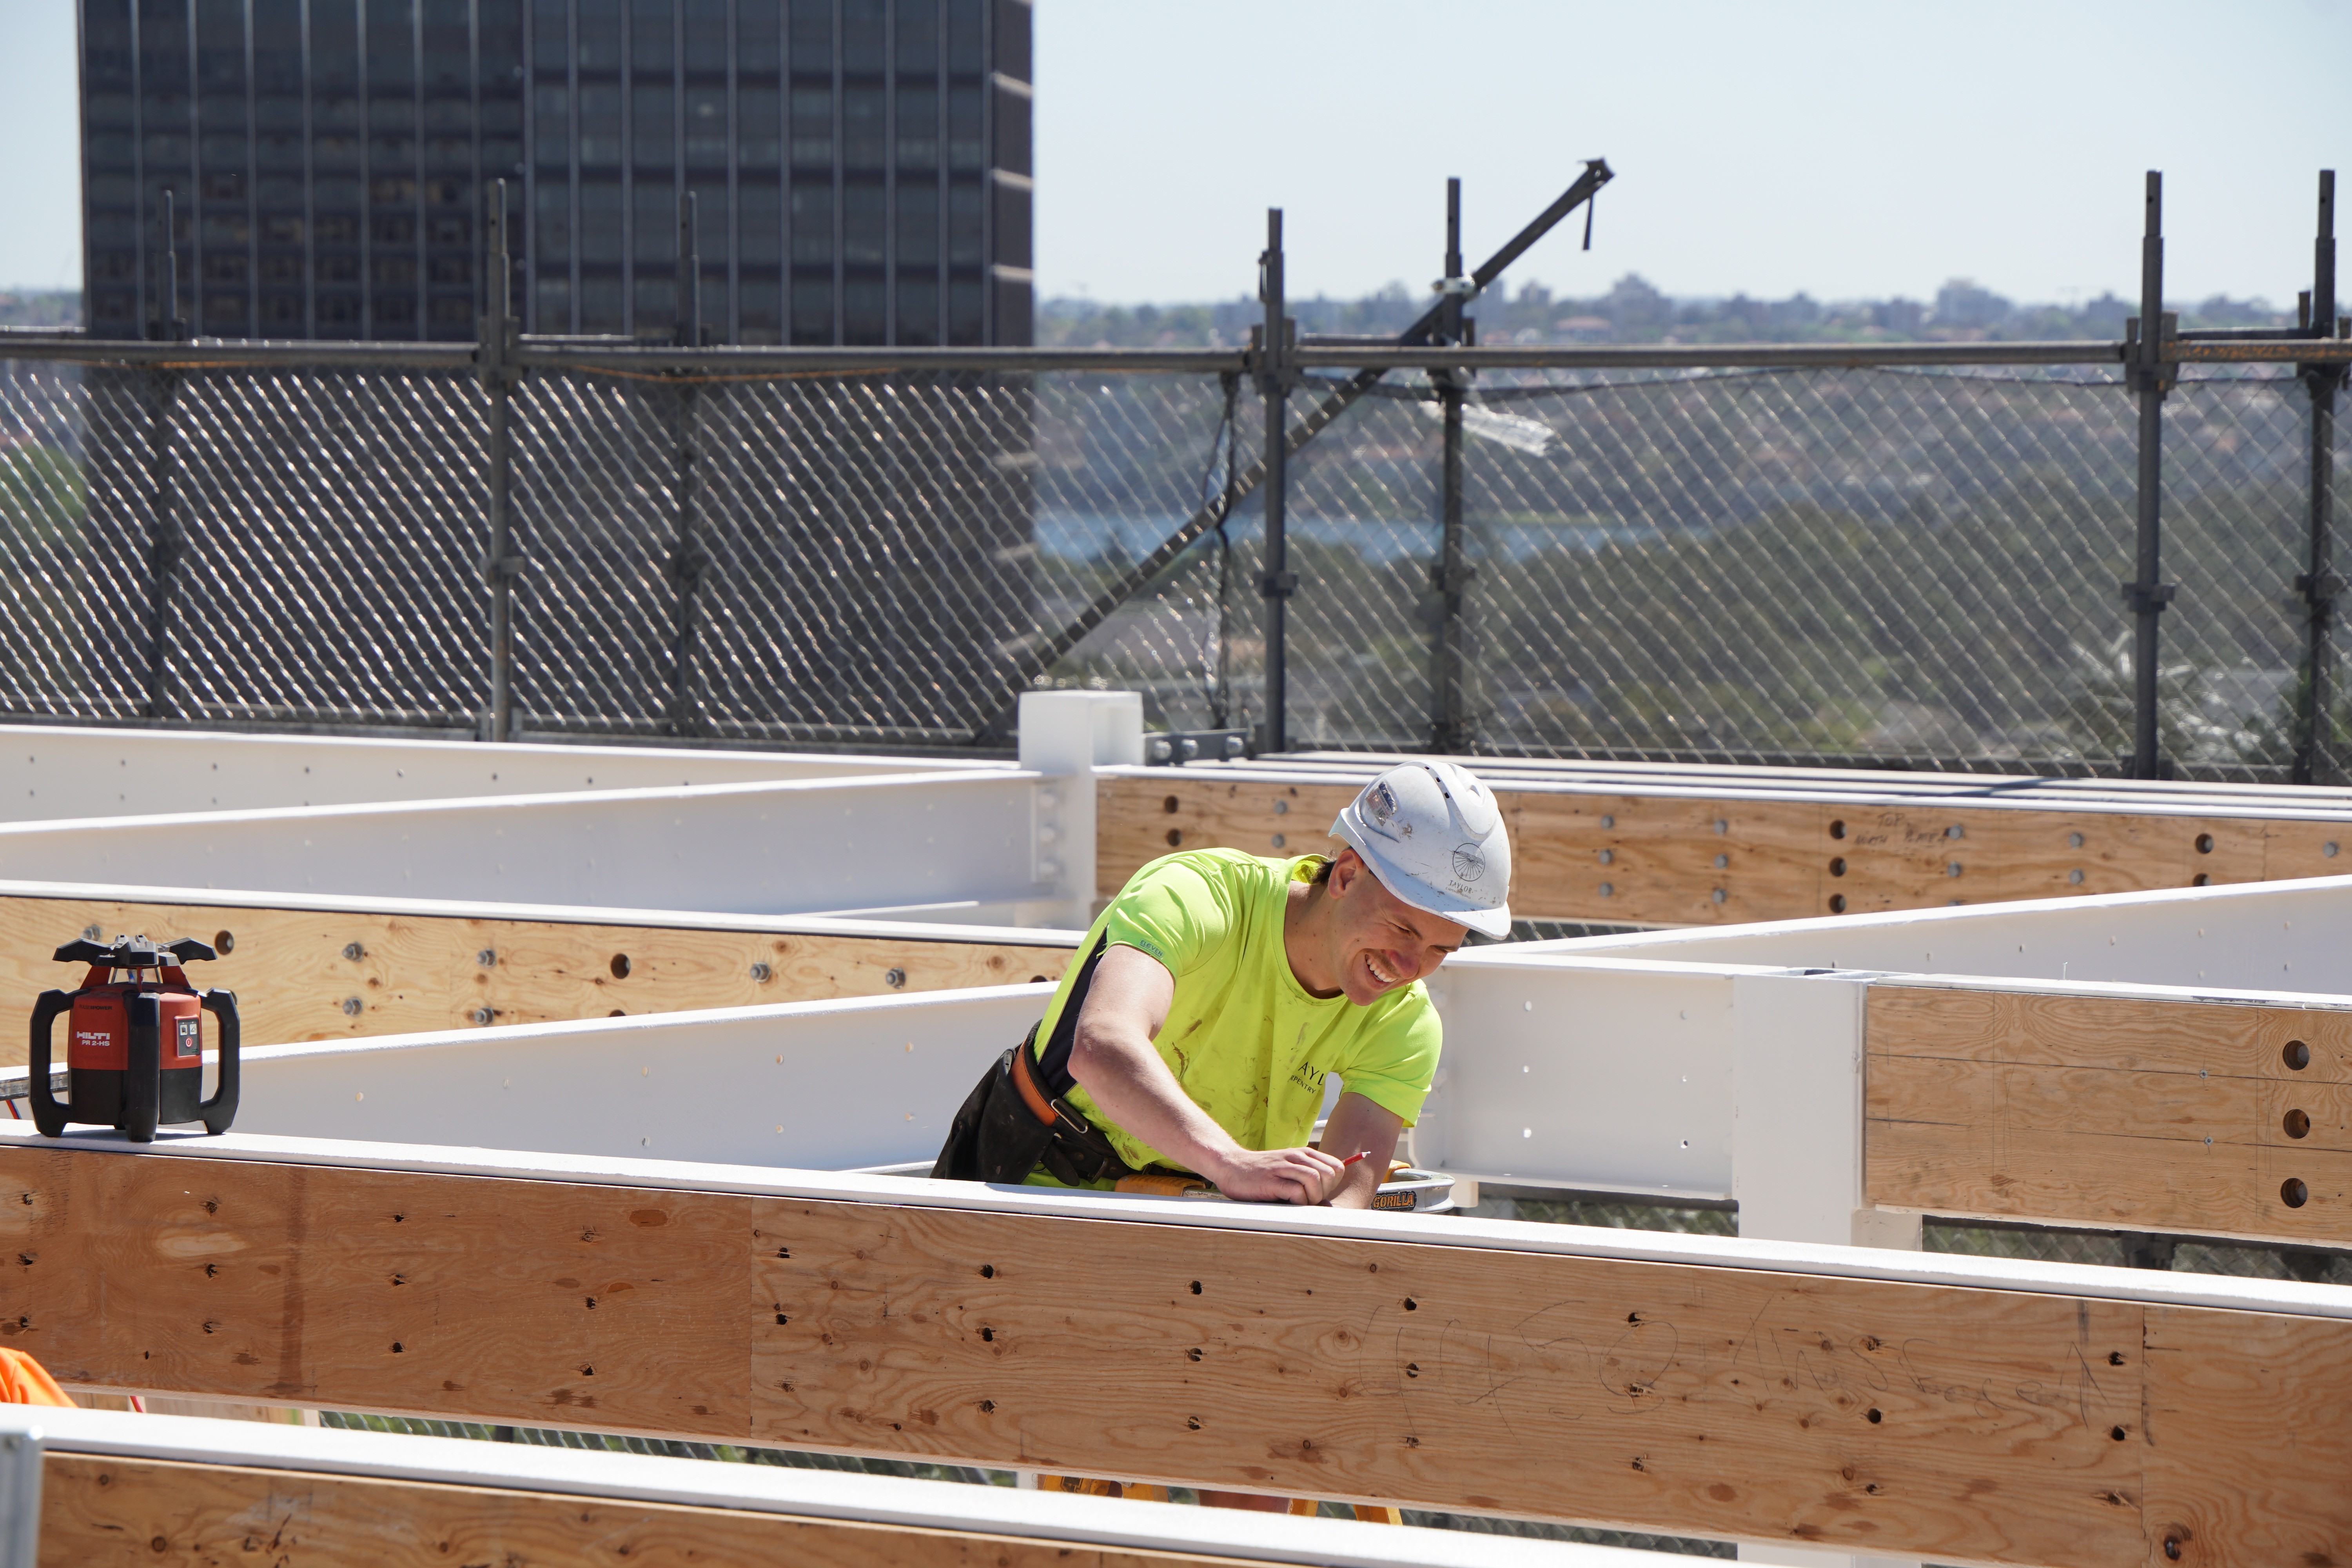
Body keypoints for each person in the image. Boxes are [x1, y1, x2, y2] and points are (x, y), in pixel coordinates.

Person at [933, 760, 1512, 1207]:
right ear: (1346, 876)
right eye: (1403, 929)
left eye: (1440, 950)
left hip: (1213, 1223)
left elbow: (1345, 1200)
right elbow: (1102, 1047)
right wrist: (1231, 1164)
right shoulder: (1196, 897)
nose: (1409, 966)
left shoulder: (1404, 1021)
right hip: (1029, 1187)